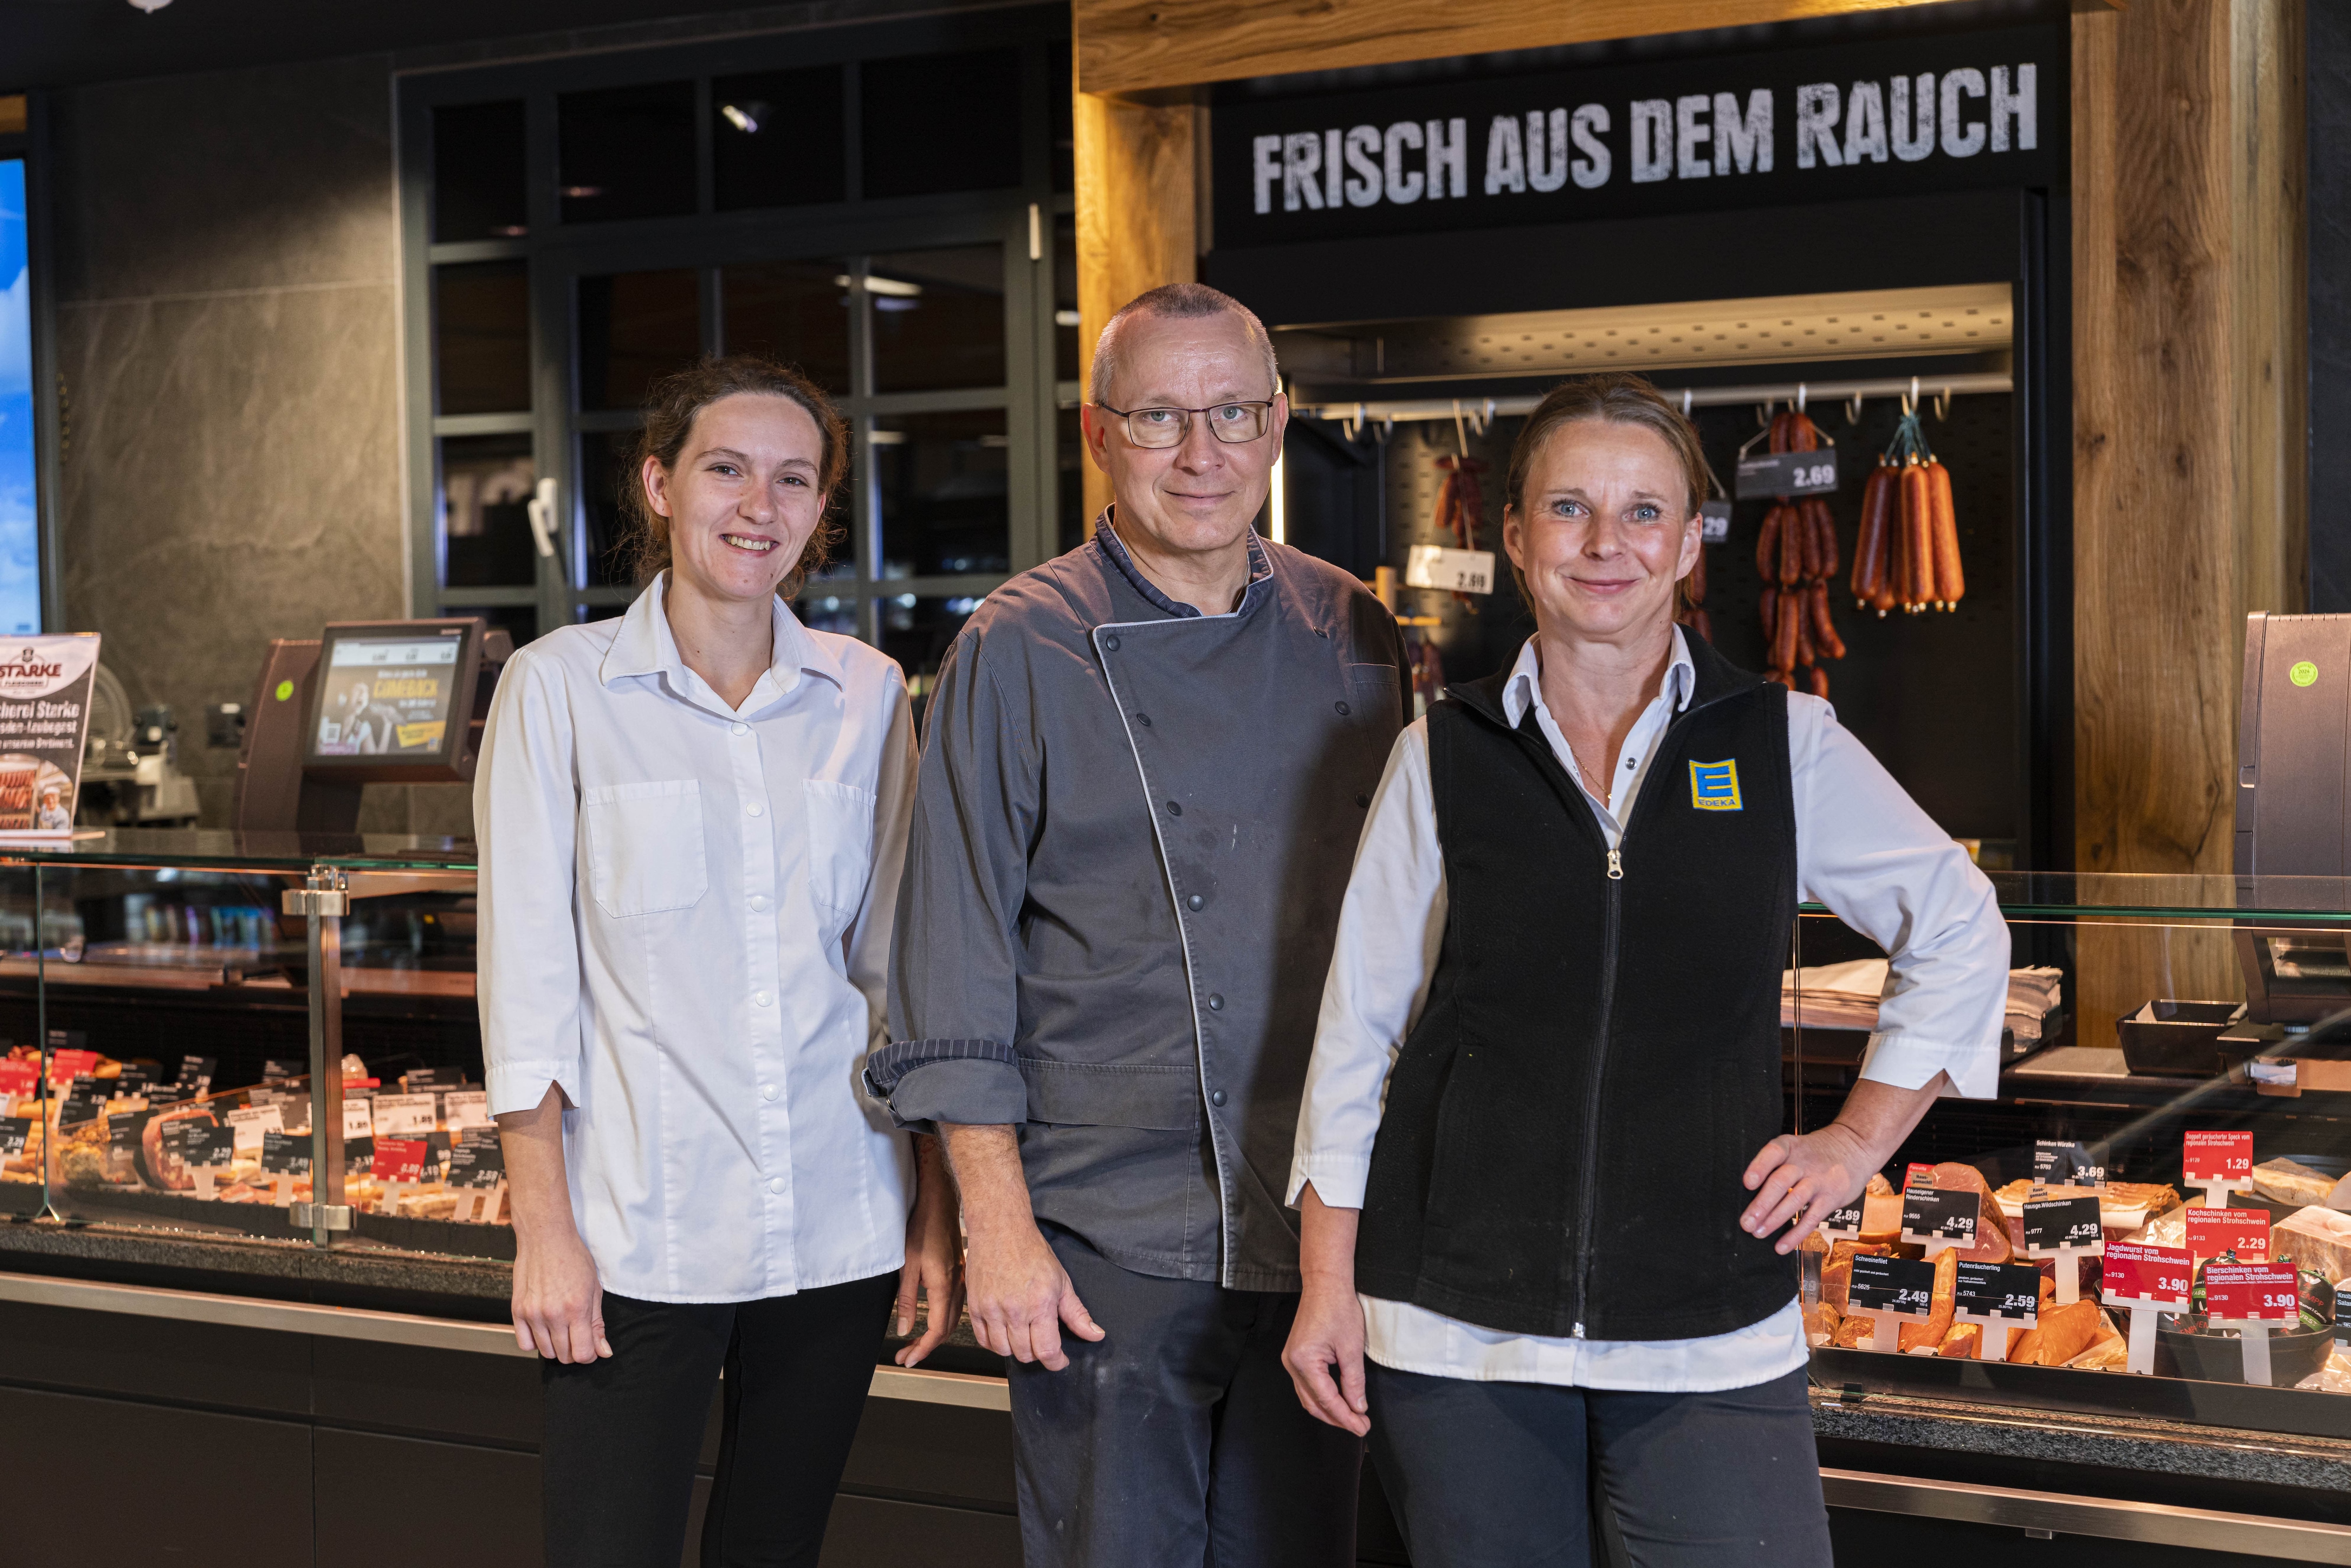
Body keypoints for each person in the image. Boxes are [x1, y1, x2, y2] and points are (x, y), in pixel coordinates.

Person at [1281, 373, 2011, 1566]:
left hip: (1708, 1324)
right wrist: (1326, 1285)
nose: (1605, 544)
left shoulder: (1783, 743)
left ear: (1686, 544)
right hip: (1457, 1331)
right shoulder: (1442, 754)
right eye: (1569, 509)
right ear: (1515, 538)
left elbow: (1960, 924)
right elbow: (1356, 1037)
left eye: (1642, 513)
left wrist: (1858, 1143)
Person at [865, 283, 1407, 1568]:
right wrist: (994, 1224)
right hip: (1104, 1231)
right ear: (1100, 435)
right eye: (1161, 417)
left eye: (1230, 413)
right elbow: (953, 955)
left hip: (1321, 1214)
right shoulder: (1020, 643)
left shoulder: (1356, 629)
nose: (1202, 453)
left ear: (1279, 425)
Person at [477, 355, 962, 1568]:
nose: (760, 506)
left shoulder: (866, 692)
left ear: (819, 511)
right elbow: (527, 983)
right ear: (659, 484)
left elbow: (894, 973)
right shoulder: (558, 689)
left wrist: (931, 1213)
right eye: (727, 470)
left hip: (840, 1222)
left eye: (793, 480)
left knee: (775, 1550)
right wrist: (544, 1230)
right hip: (641, 1228)